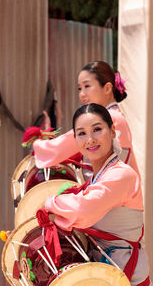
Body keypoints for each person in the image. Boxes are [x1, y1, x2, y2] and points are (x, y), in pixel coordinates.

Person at [44, 103, 151, 286]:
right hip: (104, 276)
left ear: (112, 131)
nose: (90, 139)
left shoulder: (121, 175)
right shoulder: (97, 178)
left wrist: (50, 202)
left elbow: (82, 210)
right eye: (82, 133)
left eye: (97, 129)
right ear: (76, 140)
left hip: (128, 279)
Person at [33, 61, 140, 178]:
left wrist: (38, 143)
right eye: (79, 88)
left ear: (107, 88)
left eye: (87, 86)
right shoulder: (114, 115)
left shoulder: (110, 117)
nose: (82, 94)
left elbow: (62, 146)